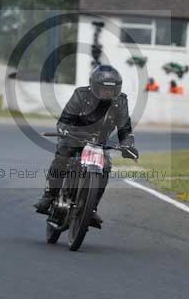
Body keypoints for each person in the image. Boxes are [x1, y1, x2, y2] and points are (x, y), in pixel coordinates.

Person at [34, 65, 139, 228]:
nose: (107, 93)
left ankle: (91, 208)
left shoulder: (121, 101)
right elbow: (65, 119)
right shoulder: (81, 94)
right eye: (104, 89)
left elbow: (124, 128)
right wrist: (64, 129)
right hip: (74, 137)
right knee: (62, 156)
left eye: (111, 90)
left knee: (105, 167)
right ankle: (49, 196)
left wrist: (127, 144)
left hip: (99, 143)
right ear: (95, 86)